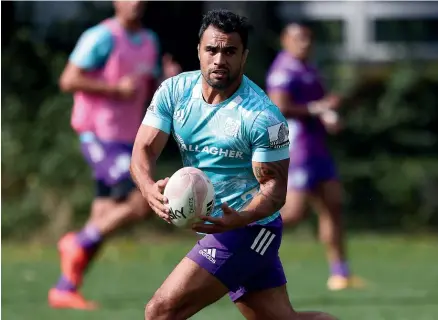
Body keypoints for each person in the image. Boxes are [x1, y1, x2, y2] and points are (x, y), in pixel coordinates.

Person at [131, 9, 337, 320]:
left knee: (161, 312)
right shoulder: (174, 92)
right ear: (198, 50)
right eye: (211, 50)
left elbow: (275, 192)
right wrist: (148, 189)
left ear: (244, 55)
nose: (219, 59)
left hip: (250, 230)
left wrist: (238, 220)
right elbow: (143, 149)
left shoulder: (262, 118)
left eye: (230, 51)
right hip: (227, 229)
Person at [48, 1, 181, 310]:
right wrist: (113, 89)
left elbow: (145, 89)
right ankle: (76, 243)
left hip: (127, 139)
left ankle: (65, 288)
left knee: (103, 218)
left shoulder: (149, 40)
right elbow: (68, 80)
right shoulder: (101, 37)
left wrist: (166, 82)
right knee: (141, 201)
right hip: (98, 134)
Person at [266, 23, 364, 291]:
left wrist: (328, 116)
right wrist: (318, 107)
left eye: (308, 38)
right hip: (299, 149)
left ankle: (340, 273)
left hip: (317, 146)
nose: (305, 43)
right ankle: (243, 240)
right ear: (285, 41)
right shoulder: (283, 70)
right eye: (299, 38)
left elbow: (317, 106)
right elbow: (279, 107)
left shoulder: (308, 67)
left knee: (332, 204)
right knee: (294, 212)